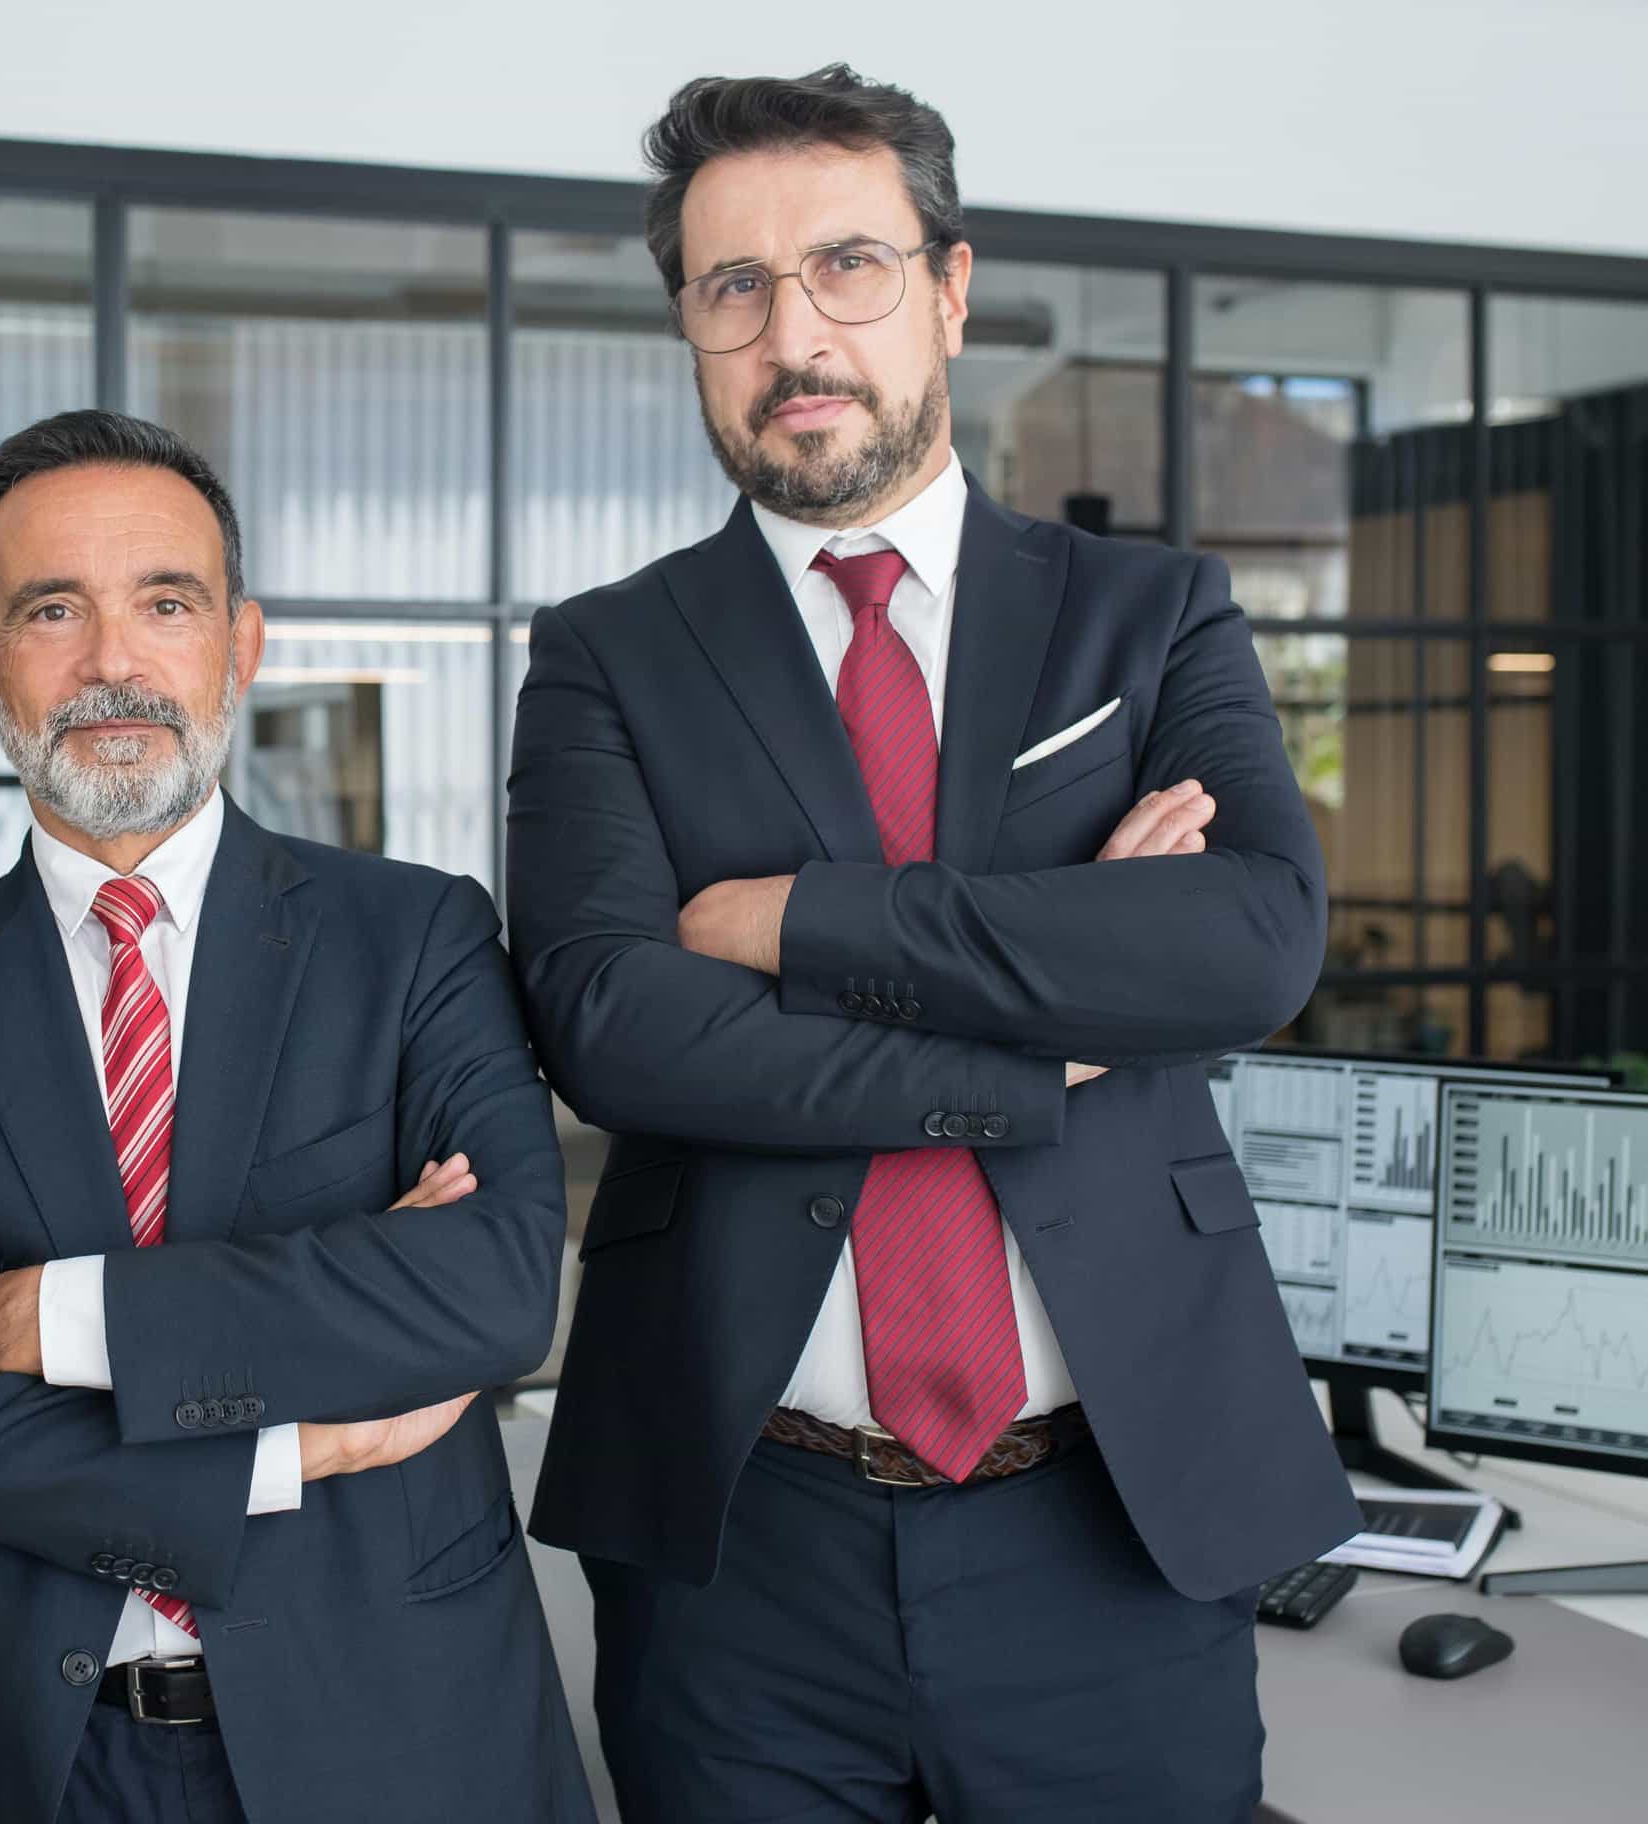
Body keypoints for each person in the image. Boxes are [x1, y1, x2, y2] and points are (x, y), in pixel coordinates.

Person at [507, 67, 1359, 1822]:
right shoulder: (607, 655)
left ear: (951, 290)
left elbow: (1250, 943)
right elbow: (614, 1023)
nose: (793, 332)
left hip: (1116, 1512)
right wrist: (1042, 1032)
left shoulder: (1148, 615)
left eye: (848, 265)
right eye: (734, 285)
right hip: (742, 1536)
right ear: (689, 325)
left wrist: (799, 922)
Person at [0, 408, 595, 1824]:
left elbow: (491, 1290)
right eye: (53, 610)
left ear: (241, 641)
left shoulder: (414, 938)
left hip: (392, 1730)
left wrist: (59, 1317)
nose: (114, 660)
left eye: (166, 603)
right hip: (22, 1754)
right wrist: (300, 1439)